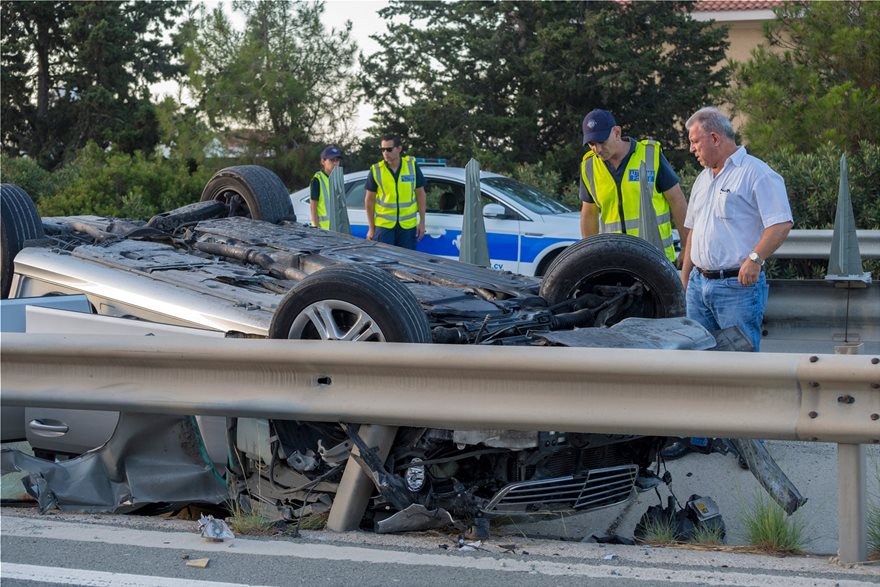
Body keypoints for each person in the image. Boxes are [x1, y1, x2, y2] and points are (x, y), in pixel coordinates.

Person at [681, 107, 793, 352]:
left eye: (694, 141)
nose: (691, 149)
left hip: (736, 288)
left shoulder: (757, 173)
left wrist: (755, 259)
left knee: (738, 362)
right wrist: (686, 275)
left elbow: (781, 223)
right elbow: (694, 230)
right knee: (696, 363)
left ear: (714, 138)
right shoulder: (703, 179)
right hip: (698, 287)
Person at [579, 109, 689, 264]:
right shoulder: (589, 166)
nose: (597, 149)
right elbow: (589, 213)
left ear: (617, 132)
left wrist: (686, 247)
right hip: (615, 261)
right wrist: (589, 257)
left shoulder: (650, 156)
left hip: (657, 258)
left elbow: (677, 200)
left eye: (602, 142)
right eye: (591, 144)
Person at [364, 133, 427, 250]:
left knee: (407, 264)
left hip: (407, 227)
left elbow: (421, 194)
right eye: (382, 150)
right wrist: (371, 228)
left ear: (399, 149)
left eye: (389, 149)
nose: (385, 153)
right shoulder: (376, 170)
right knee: (383, 264)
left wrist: (422, 222)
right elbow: (369, 200)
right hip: (384, 227)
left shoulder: (411, 166)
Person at [309, 145, 343, 229]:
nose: (335, 163)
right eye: (332, 160)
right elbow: (313, 207)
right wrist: (317, 228)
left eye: (337, 160)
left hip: (336, 229)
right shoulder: (317, 180)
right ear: (323, 161)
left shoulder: (337, 178)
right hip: (323, 231)